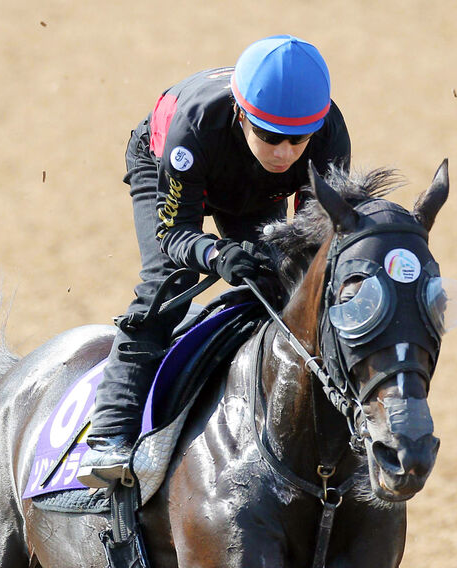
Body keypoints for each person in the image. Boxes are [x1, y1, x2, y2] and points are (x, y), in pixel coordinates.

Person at [76, 35, 352, 488]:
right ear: (243, 114)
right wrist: (216, 253)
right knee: (169, 281)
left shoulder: (329, 134)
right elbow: (173, 233)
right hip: (168, 165)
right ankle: (110, 431)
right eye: (270, 137)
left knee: (280, 278)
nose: (283, 154)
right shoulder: (195, 127)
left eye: (297, 140)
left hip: (249, 182)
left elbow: (313, 240)